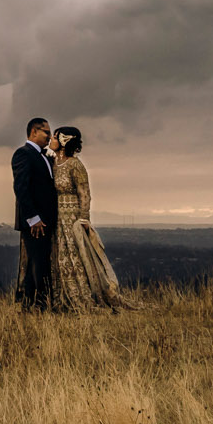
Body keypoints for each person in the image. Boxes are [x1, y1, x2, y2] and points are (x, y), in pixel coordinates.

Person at [47, 126, 137, 312]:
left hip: (72, 218)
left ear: (64, 141)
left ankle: (84, 295)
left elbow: (84, 194)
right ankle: (61, 297)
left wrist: (83, 219)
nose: (51, 139)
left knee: (78, 257)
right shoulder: (53, 163)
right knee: (60, 258)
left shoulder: (75, 165)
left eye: (55, 137)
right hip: (57, 218)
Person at [11, 116, 57, 309]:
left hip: (45, 220)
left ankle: (28, 304)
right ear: (34, 132)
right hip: (35, 221)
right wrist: (33, 218)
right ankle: (43, 304)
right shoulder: (23, 154)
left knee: (34, 263)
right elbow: (21, 188)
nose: (49, 136)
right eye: (46, 132)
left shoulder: (43, 156)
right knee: (40, 263)